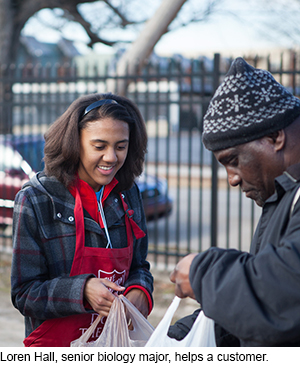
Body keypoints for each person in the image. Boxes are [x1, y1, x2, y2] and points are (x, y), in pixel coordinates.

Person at [168, 57, 300, 347]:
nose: (232, 179)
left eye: (233, 161)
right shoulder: (283, 194)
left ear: (274, 137)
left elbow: (286, 296)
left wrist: (202, 272)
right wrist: (191, 332)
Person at [11, 93, 153, 347]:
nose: (111, 157)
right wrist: (82, 290)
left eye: (120, 146)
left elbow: (140, 267)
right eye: (99, 146)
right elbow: (23, 293)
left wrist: (141, 291)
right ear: (74, 144)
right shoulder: (35, 200)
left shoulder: (128, 194)